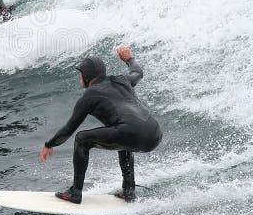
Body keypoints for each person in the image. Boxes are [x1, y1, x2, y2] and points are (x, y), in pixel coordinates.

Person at [39, 46, 162, 203]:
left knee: (82, 139)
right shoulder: (122, 80)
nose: (80, 78)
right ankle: (129, 191)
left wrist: (49, 144)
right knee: (122, 138)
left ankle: (75, 192)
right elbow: (138, 72)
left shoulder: (89, 96)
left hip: (132, 132)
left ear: (87, 76)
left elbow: (69, 128)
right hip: (155, 133)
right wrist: (129, 59)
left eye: (81, 74)